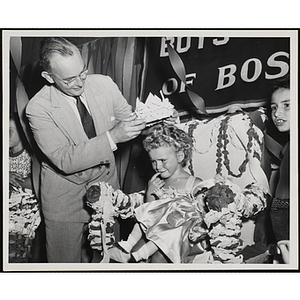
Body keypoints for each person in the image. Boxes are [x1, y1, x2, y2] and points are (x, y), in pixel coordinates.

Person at [25, 37, 146, 263]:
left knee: (109, 263)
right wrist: (113, 136)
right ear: (49, 77)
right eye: (69, 79)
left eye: (82, 72)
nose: (80, 83)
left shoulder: (104, 84)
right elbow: (64, 159)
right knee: (65, 268)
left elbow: (128, 119)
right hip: (65, 198)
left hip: (108, 192)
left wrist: (155, 120)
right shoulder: (37, 108)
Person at [108, 123, 208, 263]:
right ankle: (129, 251)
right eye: (153, 162)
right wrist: (150, 192)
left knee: (159, 257)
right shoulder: (158, 183)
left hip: (181, 241)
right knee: (138, 250)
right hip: (154, 235)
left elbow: (202, 220)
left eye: (162, 160)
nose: (158, 167)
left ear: (179, 156)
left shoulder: (194, 184)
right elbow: (149, 216)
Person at [9, 113, 42, 262]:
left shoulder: (32, 155)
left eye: (11, 130)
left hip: (25, 218)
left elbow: (38, 182)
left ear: (22, 132)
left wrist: (10, 179)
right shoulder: (5, 154)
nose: (6, 134)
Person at [268, 75, 290, 262]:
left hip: (290, 209)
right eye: (274, 108)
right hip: (280, 210)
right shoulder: (289, 144)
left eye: (287, 106)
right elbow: (277, 150)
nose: (277, 113)